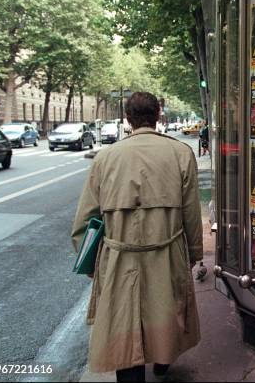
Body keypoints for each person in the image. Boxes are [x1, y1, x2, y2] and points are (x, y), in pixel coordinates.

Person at [71, 92, 203, 382]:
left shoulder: (106, 158)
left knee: (124, 322)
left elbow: (84, 220)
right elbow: (191, 213)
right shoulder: (181, 153)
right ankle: (162, 360)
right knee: (166, 312)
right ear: (158, 115)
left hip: (118, 255)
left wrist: (90, 261)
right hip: (167, 252)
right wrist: (193, 253)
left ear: (127, 118)